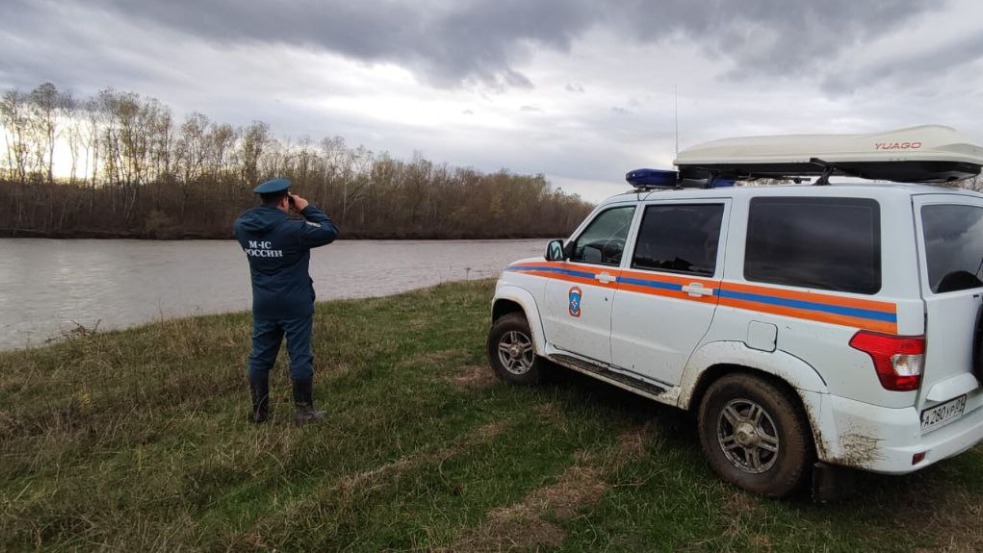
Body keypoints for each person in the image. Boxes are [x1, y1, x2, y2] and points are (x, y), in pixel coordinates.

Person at [233, 178, 339, 425]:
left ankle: (260, 413)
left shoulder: (242, 227)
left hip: (264, 302)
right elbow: (330, 230)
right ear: (284, 201)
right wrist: (305, 208)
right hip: (295, 303)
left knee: (260, 357)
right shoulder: (294, 229)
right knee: (300, 356)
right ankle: (304, 412)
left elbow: (254, 221)